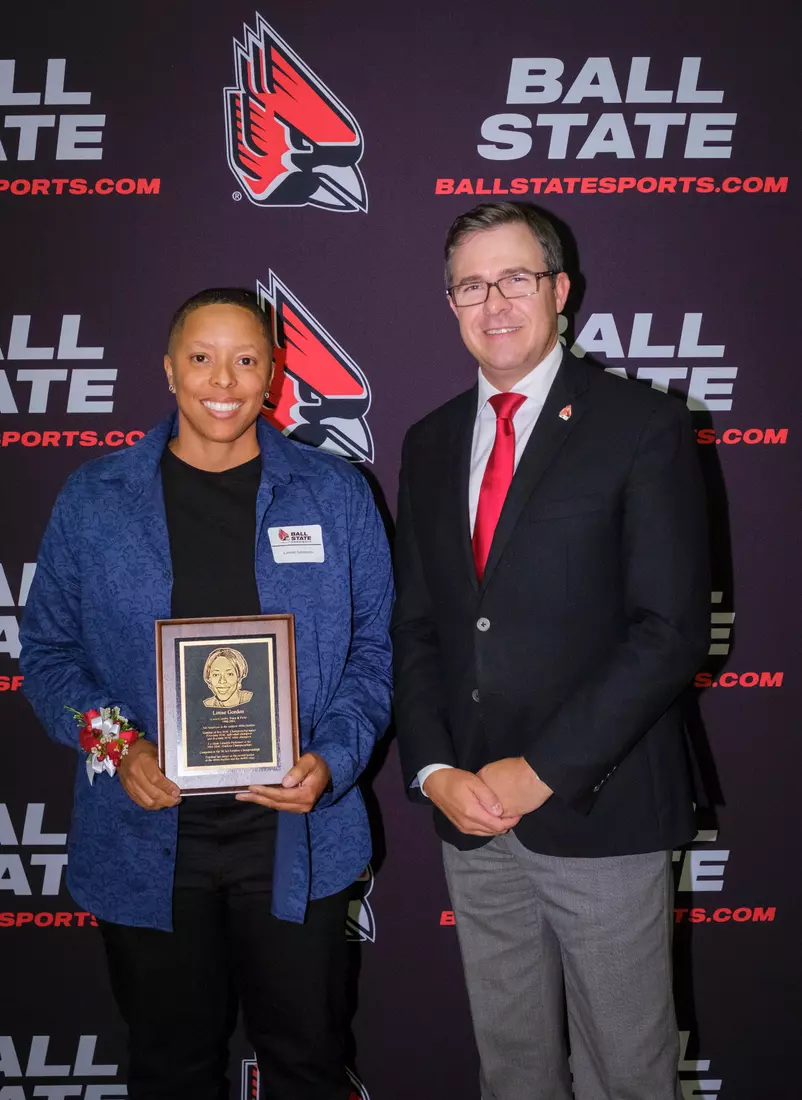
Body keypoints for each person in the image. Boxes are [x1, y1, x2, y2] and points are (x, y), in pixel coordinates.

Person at [20, 287, 393, 1100]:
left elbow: (373, 653)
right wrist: (120, 746)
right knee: (171, 1072)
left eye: (246, 359)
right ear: (167, 369)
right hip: (148, 839)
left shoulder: (334, 494)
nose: (222, 379)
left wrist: (331, 760)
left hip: (299, 841)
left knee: (307, 1067)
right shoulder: (97, 498)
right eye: (201, 357)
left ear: (273, 376)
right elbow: (46, 653)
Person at [392, 202, 709, 1100]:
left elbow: (669, 631)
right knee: (514, 1072)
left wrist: (544, 768)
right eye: (470, 285)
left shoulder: (640, 425)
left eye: (515, 279)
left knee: (629, 1075)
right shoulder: (430, 440)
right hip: (472, 820)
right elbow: (416, 627)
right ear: (450, 302)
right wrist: (434, 771)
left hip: (600, 812)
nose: (494, 303)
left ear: (560, 291)